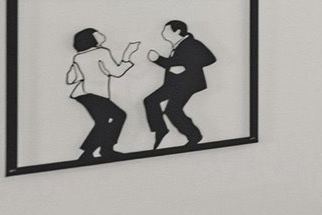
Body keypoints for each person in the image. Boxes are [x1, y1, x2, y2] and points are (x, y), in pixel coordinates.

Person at [66, 28, 140, 161]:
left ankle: (94, 152)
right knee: (117, 116)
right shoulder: (102, 52)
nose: (101, 34)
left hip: (82, 94)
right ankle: (102, 150)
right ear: (92, 38)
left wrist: (77, 65)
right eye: (96, 33)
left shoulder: (78, 56)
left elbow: (71, 79)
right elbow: (116, 72)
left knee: (103, 121)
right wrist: (128, 55)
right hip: (94, 94)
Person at [143, 21, 215, 149]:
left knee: (172, 110)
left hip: (188, 83)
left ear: (177, 31)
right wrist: (158, 60)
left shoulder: (192, 43)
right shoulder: (178, 45)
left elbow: (210, 58)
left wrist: (187, 67)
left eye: (166, 30)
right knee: (150, 101)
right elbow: (173, 65)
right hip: (174, 84)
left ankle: (194, 136)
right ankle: (161, 129)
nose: (163, 33)